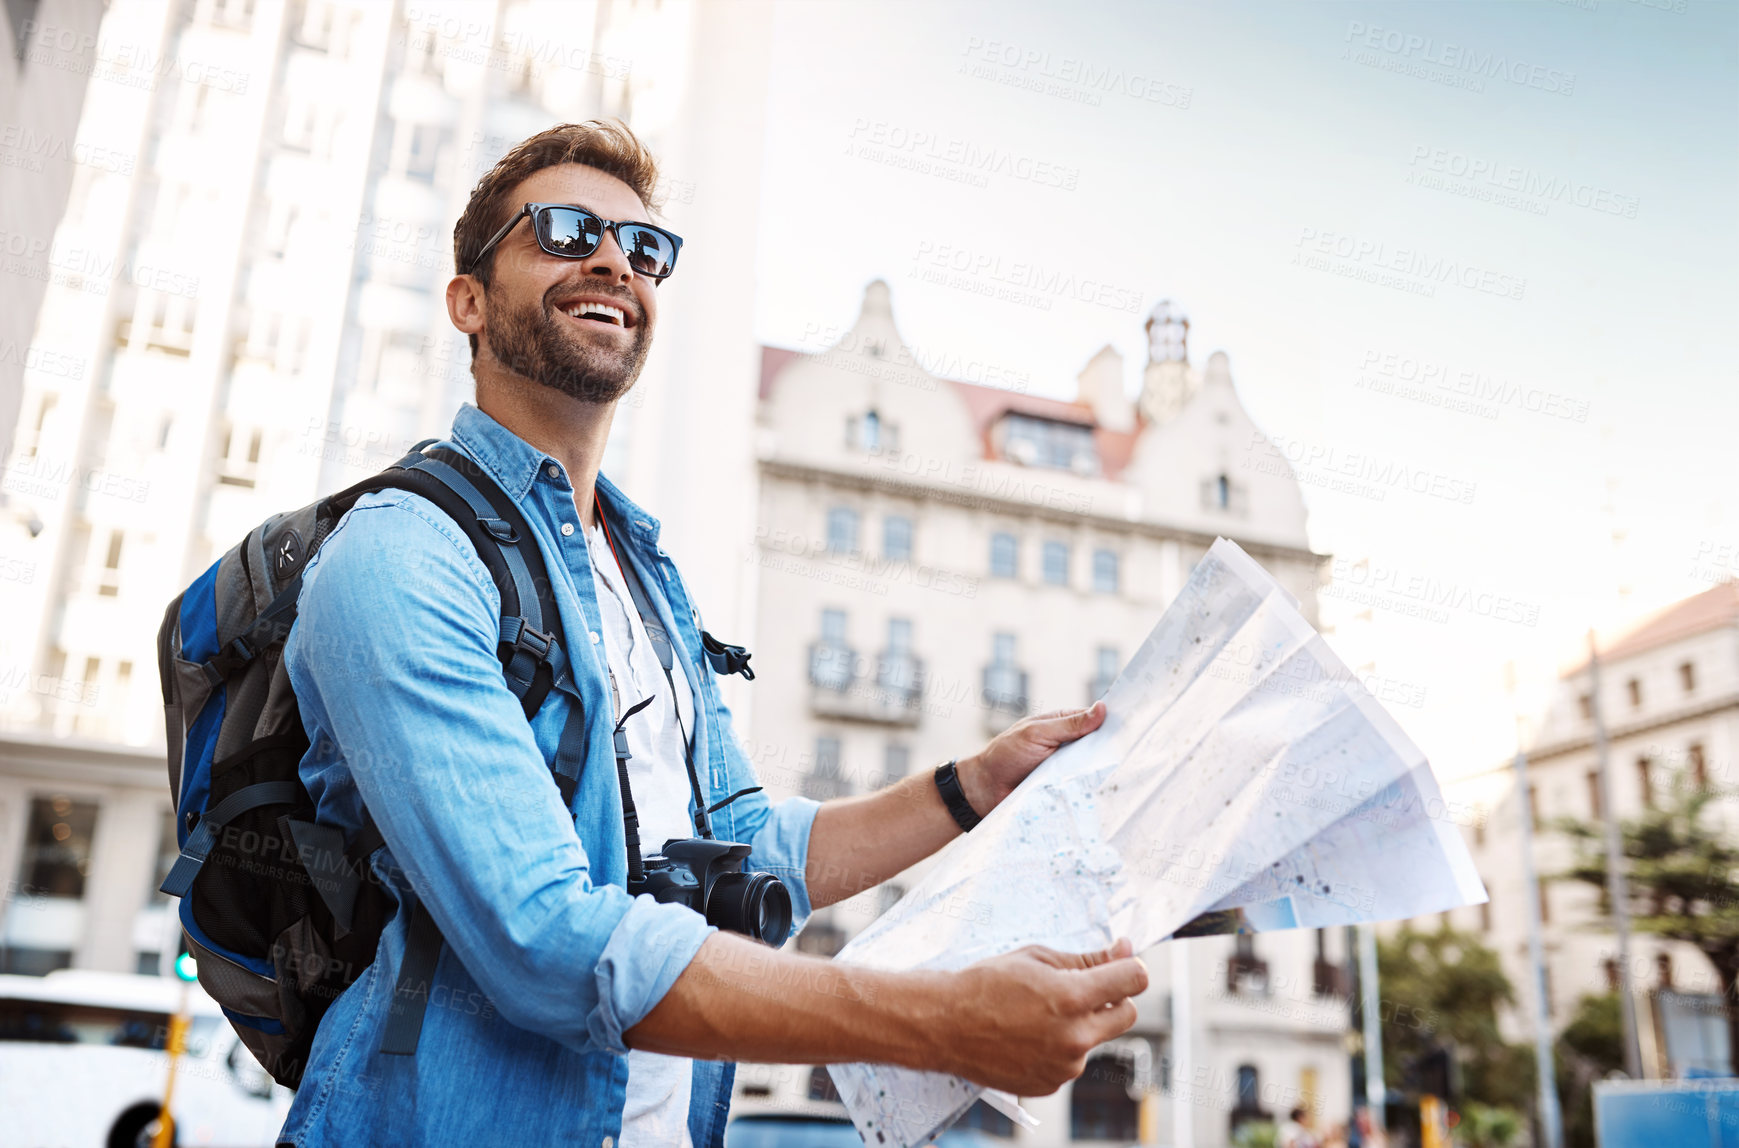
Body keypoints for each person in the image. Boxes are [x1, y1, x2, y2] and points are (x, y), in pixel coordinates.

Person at [275, 118, 1148, 1148]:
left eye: (644, 250)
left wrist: (969, 786)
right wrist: (941, 1020)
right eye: (562, 232)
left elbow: (741, 846)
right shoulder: (402, 555)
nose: (611, 260)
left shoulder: (643, 572)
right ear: (467, 298)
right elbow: (546, 939)